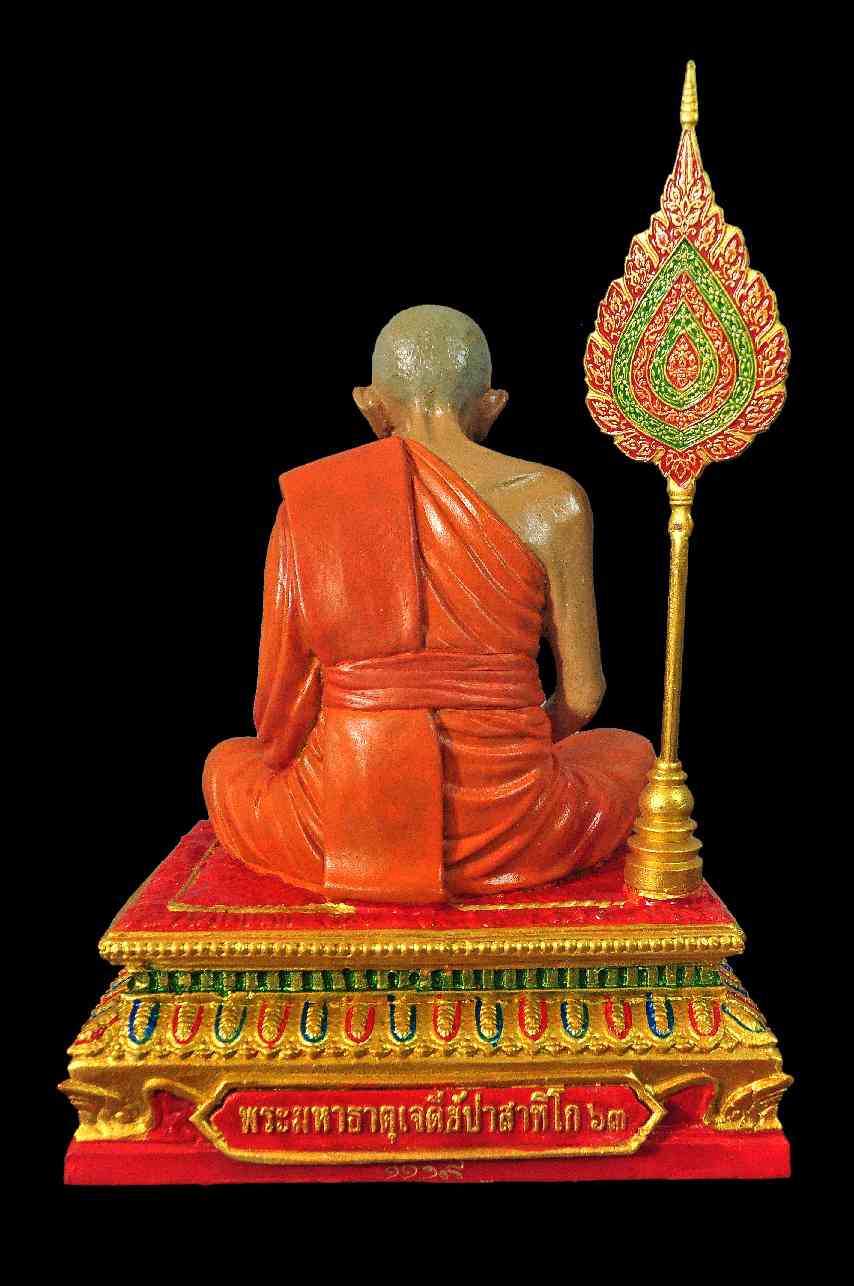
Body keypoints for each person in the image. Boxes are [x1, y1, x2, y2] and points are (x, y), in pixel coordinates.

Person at [203, 305, 654, 902]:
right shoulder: (555, 500)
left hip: (342, 824)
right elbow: (585, 695)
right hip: (520, 827)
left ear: (370, 405)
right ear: (492, 406)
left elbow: (281, 709)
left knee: (228, 762)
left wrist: (332, 745)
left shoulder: (312, 502)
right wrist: (506, 740)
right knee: (630, 752)